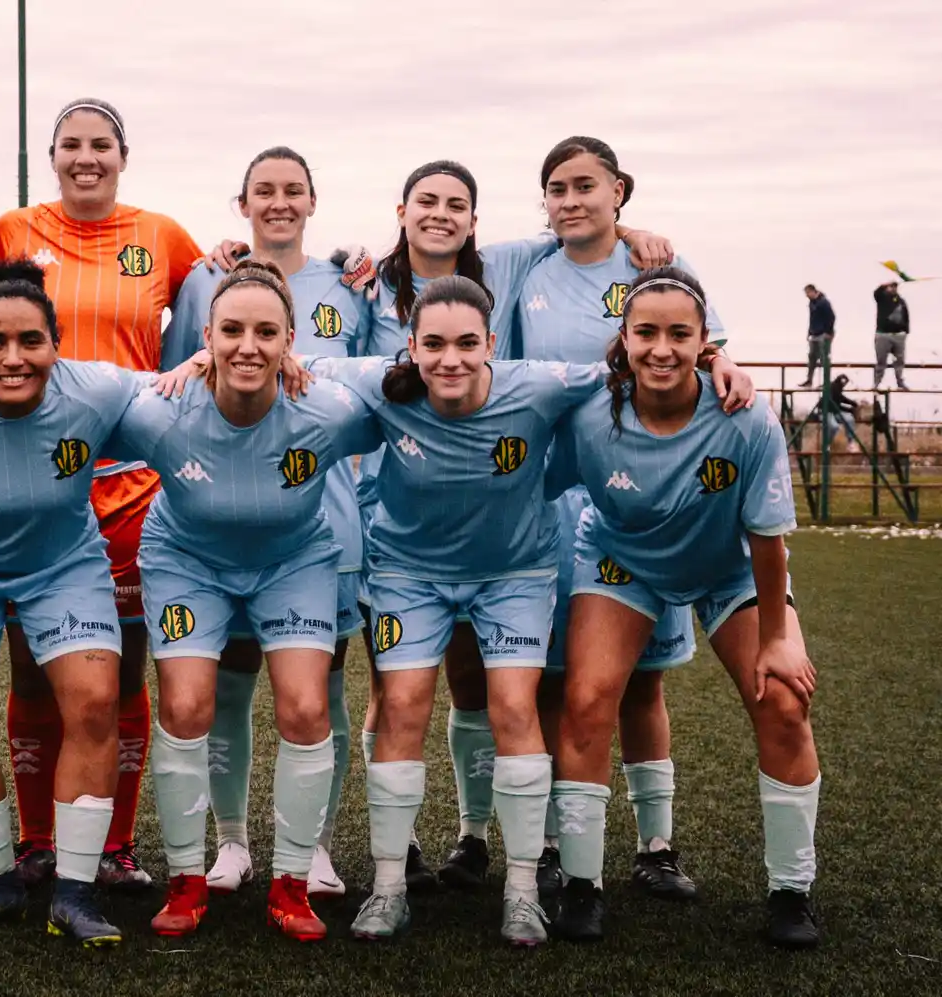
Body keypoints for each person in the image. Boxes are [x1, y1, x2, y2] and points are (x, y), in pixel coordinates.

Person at [355, 158, 677, 894]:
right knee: (396, 692)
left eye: (457, 204)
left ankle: (499, 846)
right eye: (425, 202)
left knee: (507, 688)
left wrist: (632, 229)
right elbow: (325, 367)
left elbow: (581, 228)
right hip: (396, 521)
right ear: (399, 208)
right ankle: (397, 854)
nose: (440, 214)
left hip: (506, 512)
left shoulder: (510, 262)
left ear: (476, 218)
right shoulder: (363, 277)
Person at [306, 276, 607, 945]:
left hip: (515, 572)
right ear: (409, 347)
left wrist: (718, 359)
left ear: (491, 344)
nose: (450, 358)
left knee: (513, 707)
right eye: (433, 343)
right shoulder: (382, 381)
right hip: (408, 573)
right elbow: (295, 363)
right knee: (405, 702)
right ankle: (388, 887)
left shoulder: (539, 382)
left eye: (467, 343)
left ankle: (523, 890)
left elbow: (627, 365)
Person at [0, 261, 181, 946]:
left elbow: (186, 390)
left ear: (57, 343)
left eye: (31, 341)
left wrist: (207, 356)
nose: (13, 357)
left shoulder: (99, 388)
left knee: (93, 701)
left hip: (63, 565)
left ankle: (75, 891)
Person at [0, 97, 203, 891]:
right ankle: (38, 840)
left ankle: (114, 844)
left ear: (123, 154)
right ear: (53, 154)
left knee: (121, 675)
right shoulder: (9, 232)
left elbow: (219, 301)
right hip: (32, 485)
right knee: (31, 669)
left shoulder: (162, 236)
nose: (86, 157)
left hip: (128, 487)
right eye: (71, 145)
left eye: (101, 144)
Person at [548, 267, 820, 950]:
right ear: (625, 338)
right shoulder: (590, 413)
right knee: (586, 700)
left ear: (706, 344)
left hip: (725, 566)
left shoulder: (744, 416)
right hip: (621, 563)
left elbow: (767, 537)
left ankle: (792, 891)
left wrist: (777, 637)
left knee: (784, 698)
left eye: (679, 334)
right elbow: (525, 477)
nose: (660, 348)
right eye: (646, 332)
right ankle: (582, 884)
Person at [110, 260, 375, 941]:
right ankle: (186, 879)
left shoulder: (327, 403)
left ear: (291, 341)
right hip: (187, 560)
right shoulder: (161, 405)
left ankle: (291, 885)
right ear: (206, 336)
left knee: (308, 705)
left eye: (266, 332)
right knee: (187, 704)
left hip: (294, 560)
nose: (247, 346)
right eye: (231, 331)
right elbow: (77, 394)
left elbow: (401, 379)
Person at [515, 137, 739, 905]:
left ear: (620, 191)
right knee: (554, 680)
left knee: (641, 683)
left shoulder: (659, 269)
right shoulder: (530, 275)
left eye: (587, 185)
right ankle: (547, 843)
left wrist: (726, 363)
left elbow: (712, 355)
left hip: (643, 502)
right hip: (557, 499)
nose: (572, 199)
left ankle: (656, 845)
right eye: (557, 188)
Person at [161, 147, 369, 898]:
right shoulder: (203, 279)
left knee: (320, 692)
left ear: (313, 200)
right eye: (264, 191)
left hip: (323, 518)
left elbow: (376, 383)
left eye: (293, 190)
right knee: (228, 685)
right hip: (217, 512)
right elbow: (177, 374)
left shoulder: (351, 282)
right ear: (241, 202)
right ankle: (232, 841)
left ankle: (310, 846)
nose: (279, 202)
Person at [873, 280, 910, 390]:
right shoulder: (882, 298)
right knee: (881, 360)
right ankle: (876, 383)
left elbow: (906, 317)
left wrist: (906, 331)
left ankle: (900, 381)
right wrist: (883, 285)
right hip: (883, 334)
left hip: (898, 335)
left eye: (894, 287)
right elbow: (876, 293)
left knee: (899, 360)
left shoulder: (901, 301)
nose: (893, 289)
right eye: (891, 287)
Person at [799, 285, 836, 388]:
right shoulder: (811, 303)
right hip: (814, 334)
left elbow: (832, 317)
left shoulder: (824, 302)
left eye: (808, 293)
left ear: (813, 291)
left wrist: (828, 332)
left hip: (823, 334)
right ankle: (809, 380)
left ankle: (826, 382)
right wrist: (809, 331)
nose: (807, 296)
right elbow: (812, 318)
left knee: (824, 358)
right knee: (811, 357)